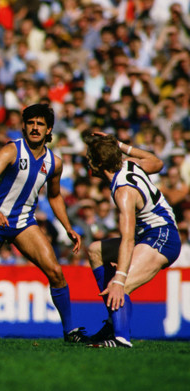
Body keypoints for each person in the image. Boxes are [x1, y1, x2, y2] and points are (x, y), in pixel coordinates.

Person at [0, 103, 88, 343]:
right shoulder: (11, 150)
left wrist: (67, 227)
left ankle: (70, 332)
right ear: (24, 126)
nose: (35, 127)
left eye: (40, 124)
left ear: (49, 129)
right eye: (31, 123)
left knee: (56, 272)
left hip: (23, 223)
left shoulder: (55, 163)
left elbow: (54, 196)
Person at [84, 133, 181, 348]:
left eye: (91, 159)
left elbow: (127, 240)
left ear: (99, 164)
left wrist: (119, 278)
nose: (88, 164)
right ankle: (113, 322)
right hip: (149, 235)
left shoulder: (123, 192)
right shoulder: (129, 164)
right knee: (95, 250)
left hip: (161, 237)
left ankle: (121, 340)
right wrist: (118, 145)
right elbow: (157, 162)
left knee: (121, 285)